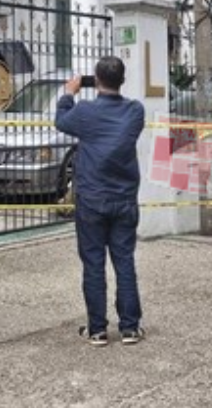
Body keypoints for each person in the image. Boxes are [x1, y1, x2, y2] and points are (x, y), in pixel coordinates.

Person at [55, 56, 147, 346]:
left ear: (96, 80)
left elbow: (61, 121)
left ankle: (97, 329)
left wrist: (69, 94)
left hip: (92, 199)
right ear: (122, 79)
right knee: (124, 261)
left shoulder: (84, 112)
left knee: (93, 264)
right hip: (124, 199)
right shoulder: (135, 111)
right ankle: (130, 327)